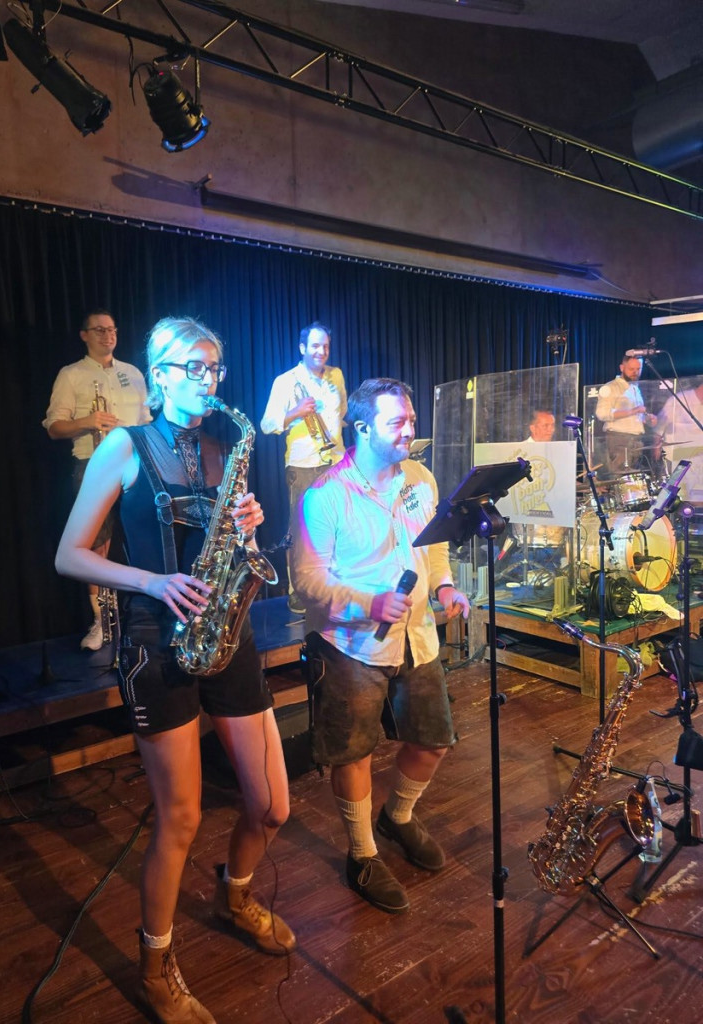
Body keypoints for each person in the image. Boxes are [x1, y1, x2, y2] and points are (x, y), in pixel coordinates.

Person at [55, 316, 295, 1024]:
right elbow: (69, 555)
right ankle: (155, 965)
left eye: (214, 367)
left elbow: (232, 550)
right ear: (157, 374)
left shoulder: (224, 448)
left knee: (273, 805)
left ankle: (236, 894)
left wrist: (247, 528)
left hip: (226, 634)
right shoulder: (123, 447)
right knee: (182, 817)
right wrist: (153, 582)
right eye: (192, 366)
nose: (207, 379)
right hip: (155, 644)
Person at [292, 377, 470, 914]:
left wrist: (444, 586)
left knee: (433, 741)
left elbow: (433, 547)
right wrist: (368, 603)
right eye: (397, 422)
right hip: (352, 645)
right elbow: (306, 582)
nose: (409, 430)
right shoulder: (324, 495)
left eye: (411, 420)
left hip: (417, 635)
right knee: (355, 752)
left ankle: (397, 818)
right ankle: (362, 854)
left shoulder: (420, 478)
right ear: (363, 428)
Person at [43, 309, 151, 651]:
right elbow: (54, 427)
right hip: (93, 463)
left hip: (138, 464)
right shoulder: (71, 374)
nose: (108, 335)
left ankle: (145, 615)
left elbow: (146, 420)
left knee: (143, 538)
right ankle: (102, 621)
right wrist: (87, 421)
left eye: (112, 329)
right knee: (95, 545)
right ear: (84, 335)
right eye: (100, 330)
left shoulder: (133, 373)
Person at [260, 321, 347, 614]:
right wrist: (296, 412)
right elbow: (267, 424)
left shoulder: (336, 375)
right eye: (315, 346)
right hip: (303, 463)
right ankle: (298, 591)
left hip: (335, 460)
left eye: (325, 346)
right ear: (302, 348)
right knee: (301, 531)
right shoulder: (286, 381)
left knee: (337, 526)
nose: (321, 351)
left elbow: (342, 412)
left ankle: (331, 584)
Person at [595, 353, 657, 475]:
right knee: (621, 477)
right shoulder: (611, 387)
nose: (635, 372)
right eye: (631, 369)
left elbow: (635, 415)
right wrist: (633, 411)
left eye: (638, 369)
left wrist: (647, 419)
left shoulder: (635, 387)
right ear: (622, 368)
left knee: (633, 478)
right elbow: (601, 413)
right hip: (619, 439)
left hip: (636, 440)